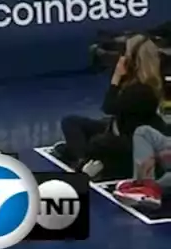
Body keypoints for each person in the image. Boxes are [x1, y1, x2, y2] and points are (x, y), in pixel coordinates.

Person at [54, 35, 165, 178]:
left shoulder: (141, 90)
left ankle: (82, 158)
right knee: (71, 122)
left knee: (98, 142)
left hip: (132, 141)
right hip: (120, 128)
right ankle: (82, 157)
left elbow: (109, 107)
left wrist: (116, 78)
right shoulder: (139, 80)